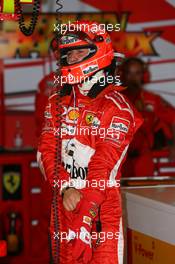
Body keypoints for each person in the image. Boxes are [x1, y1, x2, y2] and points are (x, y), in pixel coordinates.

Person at [37, 21, 143, 264]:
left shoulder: (117, 107)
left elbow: (103, 163)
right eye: (68, 53)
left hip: (101, 211)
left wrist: (87, 212)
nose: (72, 58)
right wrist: (65, 188)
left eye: (79, 51)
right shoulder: (56, 101)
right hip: (63, 204)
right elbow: (46, 151)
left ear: (99, 51)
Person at [121, 57, 175, 177]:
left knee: (143, 192)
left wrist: (173, 145)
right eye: (129, 73)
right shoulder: (114, 98)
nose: (133, 78)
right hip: (118, 157)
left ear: (144, 76)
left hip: (143, 158)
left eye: (137, 73)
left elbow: (173, 118)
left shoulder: (152, 99)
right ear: (123, 75)